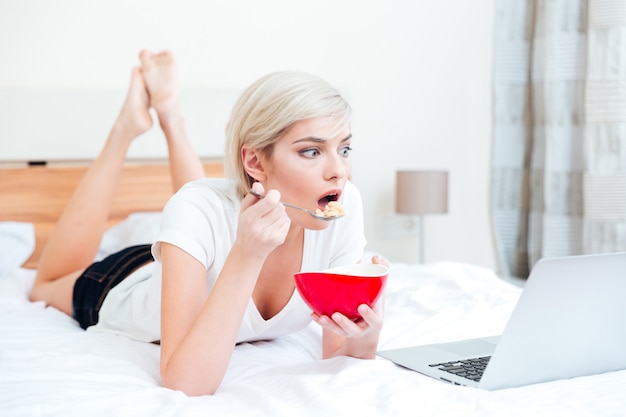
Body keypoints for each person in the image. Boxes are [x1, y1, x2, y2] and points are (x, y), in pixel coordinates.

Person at [29, 50, 386, 396]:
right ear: (255, 162)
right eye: (311, 151)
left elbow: (338, 357)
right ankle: (126, 127)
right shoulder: (195, 209)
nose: (338, 171)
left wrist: (367, 333)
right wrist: (247, 254)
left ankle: (170, 115)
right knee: (43, 286)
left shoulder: (344, 203)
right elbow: (187, 384)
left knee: (201, 209)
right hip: (123, 280)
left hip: (195, 249)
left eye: (345, 149)